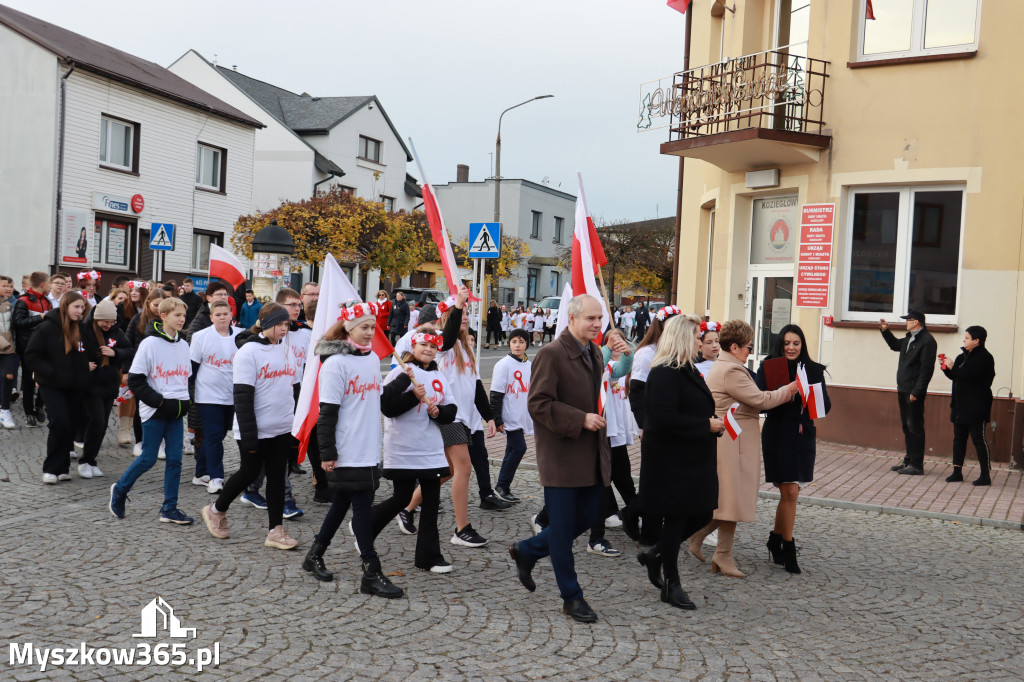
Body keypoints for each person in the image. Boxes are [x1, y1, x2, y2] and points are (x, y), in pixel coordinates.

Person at [509, 294, 628, 624]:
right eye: (590, 318)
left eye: (599, 318)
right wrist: (580, 419)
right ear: (572, 319)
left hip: (591, 455)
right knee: (562, 532)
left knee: (590, 516)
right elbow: (538, 404)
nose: (596, 324)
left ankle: (528, 550)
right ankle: (572, 597)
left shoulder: (593, 352)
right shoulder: (551, 354)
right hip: (562, 456)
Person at [298, 301, 403, 598]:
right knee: (361, 507)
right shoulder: (335, 364)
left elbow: (376, 399)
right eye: (364, 327)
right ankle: (371, 571)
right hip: (347, 448)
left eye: (373, 327)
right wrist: (328, 452)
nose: (370, 333)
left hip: (368, 444)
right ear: (348, 328)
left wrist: (406, 381)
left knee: (342, 501)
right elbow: (326, 412)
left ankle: (314, 554)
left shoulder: (371, 360)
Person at [694, 320, 798, 578]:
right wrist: (792, 388)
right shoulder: (732, 370)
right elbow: (762, 400)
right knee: (732, 499)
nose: (750, 352)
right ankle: (722, 554)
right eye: (748, 347)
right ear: (734, 346)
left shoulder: (728, 366)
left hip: (734, 438)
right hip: (733, 440)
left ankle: (697, 538)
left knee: (729, 498)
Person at [636, 314, 724, 609]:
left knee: (702, 512)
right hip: (672, 461)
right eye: (698, 336)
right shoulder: (663, 372)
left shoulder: (688, 368)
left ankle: (656, 553)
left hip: (693, 457)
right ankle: (672, 583)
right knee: (677, 519)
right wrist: (705, 425)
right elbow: (662, 418)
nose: (701, 340)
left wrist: (710, 423)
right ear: (684, 338)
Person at [200, 303, 300, 550]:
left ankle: (275, 531)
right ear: (266, 325)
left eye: (286, 324)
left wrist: (295, 426)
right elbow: (242, 398)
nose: (284, 329)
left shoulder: (288, 349)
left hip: (282, 427)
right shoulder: (249, 352)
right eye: (279, 324)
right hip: (254, 428)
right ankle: (216, 509)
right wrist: (249, 436)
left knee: (277, 477)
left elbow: (294, 389)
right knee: (249, 473)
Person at [373, 329, 457, 573]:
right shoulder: (401, 371)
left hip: (430, 448)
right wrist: (413, 397)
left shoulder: (439, 374)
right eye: (424, 345)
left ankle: (428, 557)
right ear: (413, 346)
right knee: (401, 497)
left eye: (433, 346)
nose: (428, 350)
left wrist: (439, 412)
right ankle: (364, 525)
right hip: (404, 447)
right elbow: (387, 406)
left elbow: (451, 407)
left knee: (431, 501)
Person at [108, 298, 194, 524]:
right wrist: (158, 402)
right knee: (148, 458)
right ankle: (120, 489)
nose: (182, 319)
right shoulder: (149, 344)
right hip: (155, 411)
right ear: (163, 316)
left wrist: (187, 401)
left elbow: (185, 378)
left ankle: (169, 508)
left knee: (176, 459)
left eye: (184, 315)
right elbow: (136, 381)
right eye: (177, 315)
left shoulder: (184, 345)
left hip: (176, 411)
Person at [755, 324, 830, 574]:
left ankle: (775, 540)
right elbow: (760, 400)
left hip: (802, 436)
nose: (791, 347)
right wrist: (784, 392)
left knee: (791, 493)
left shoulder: (813, 369)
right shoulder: (769, 367)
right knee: (789, 493)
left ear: (802, 345)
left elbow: (824, 407)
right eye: (787, 343)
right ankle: (788, 547)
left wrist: (810, 395)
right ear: (780, 344)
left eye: (795, 343)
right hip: (778, 435)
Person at [434, 288, 505, 549]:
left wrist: (490, 417)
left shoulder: (468, 350)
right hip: (448, 417)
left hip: (464, 419)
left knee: (447, 471)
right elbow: (449, 334)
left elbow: (476, 388)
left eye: (465, 313)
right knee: (464, 468)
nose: (464, 316)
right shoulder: (441, 345)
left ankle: (405, 507)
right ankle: (462, 529)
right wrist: (458, 305)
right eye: (459, 313)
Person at [25, 292, 92, 482]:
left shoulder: (82, 329)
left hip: (75, 386)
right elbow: (32, 355)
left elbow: (86, 354)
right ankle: (51, 469)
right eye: (76, 307)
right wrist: (49, 372)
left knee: (70, 425)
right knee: (59, 422)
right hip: (51, 385)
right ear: (65, 306)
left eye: (82, 307)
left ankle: (63, 468)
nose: (80, 311)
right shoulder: (46, 328)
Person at [188, 300, 240, 494]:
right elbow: (192, 368)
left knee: (219, 434)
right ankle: (216, 477)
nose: (222, 318)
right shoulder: (201, 337)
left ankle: (201, 471)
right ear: (211, 317)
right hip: (208, 394)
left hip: (232, 394)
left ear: (231, 315)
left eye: (225, 314)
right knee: (213, 435)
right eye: (217, 315)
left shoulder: (241, 335)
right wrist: (189, 393)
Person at [880, 311, 937, 475]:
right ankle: (909, 460)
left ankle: (917, 465)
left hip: (913, 391)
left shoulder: (927, 341)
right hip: (903, 388)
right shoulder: (909, 338)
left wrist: (917, 391)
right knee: (907, 426)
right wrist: (885, 331)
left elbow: (926, 370)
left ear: (917, 322)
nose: (906, 322)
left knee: (915, 427)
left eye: (909, 320)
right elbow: (894, 345)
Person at [79, 300, 132, 479]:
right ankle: (85, 460)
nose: (108, 325)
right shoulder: (85, 331)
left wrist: (115, 353)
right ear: (96, 319)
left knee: (102, 425)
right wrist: (83, 364)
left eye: (112, 322)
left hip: (109, 386)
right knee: (96, 420)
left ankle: (91, 460)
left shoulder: (117, 332)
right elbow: (74, 353)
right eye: (105, 322)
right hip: (90, 385)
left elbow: (128, 350)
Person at [941, 326, 995, 486]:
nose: (964, 340)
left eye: (967, 337)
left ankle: (985, 475)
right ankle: (957, 472)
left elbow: (969, 376)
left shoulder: (985, 358)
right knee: (959, 438)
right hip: (960, 404)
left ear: (976, 340)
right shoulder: (961, 357)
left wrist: (954, 368)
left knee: (978, 439)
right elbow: (956, 376)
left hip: (976, 405)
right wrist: (946, 368)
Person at [491, 328, 533, 503]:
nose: (517, 345)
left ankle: (502, 487)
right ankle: (502, 485)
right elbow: (495, 394)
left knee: (511, 449)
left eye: (521, 342)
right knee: (519, 448)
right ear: (509, 343)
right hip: (509, 416)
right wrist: (497, 419)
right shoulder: (503, 364)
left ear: (526, 345)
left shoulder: (529, 365)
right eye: (514, 341)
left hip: (521, 415)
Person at [13, 271, 52, 427]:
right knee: (29, 381)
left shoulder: (47, 301)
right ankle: (29, 413)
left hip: (45, 346)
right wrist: (40, 317)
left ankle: (40, 405)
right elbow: (18, 322)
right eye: (49, 283)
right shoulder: (23, 301)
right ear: (42, 284)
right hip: (28, 347)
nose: (50, 286)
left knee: (45, 377)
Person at [0, 275, 19, 429]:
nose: (8, 288)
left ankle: (5, 410)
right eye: (5, 285)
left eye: (10, 286)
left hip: (9, 349)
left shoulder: (13, 304)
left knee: (9, 376)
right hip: (3, 345)